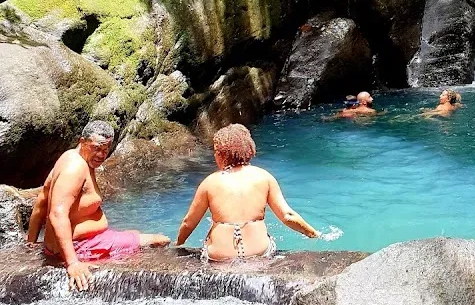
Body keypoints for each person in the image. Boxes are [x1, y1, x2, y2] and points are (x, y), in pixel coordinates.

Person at [27, 121, 171, 292]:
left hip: (84, 242)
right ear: (82, 142)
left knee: (136, 234)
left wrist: (31, 242)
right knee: (160, 240)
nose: (101, 155)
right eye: (96, 148)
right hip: (82, 247)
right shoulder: (75, 168)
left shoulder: (69, 156)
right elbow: (57, 214)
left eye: (106, 149)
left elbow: (42, 200)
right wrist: (72, 263)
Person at [175, 124, 320, 261]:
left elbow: (188, 223)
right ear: (249, 149)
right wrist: (313, 234)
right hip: (260, 254)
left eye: (215, 151)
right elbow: (288, 216)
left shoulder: (210, 182)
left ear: (221, 155)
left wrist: (178, 244)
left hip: (219, 258)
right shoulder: (264, 177)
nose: (214, 156)